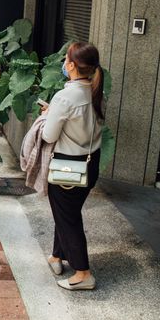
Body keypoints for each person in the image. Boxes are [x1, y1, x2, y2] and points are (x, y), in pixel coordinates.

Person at [42, 42, 104, 291]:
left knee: (68, 218)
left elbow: (48, 136)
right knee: (66, 213)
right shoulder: (96, 91)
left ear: (71, 65)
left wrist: (48, 114)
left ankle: (83, 272)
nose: (63, 64)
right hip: (91, 162)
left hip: (67, 166)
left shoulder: (65, 96)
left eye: (65, 59)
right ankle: (57, 256)